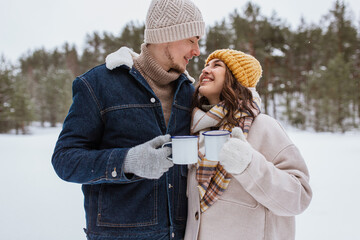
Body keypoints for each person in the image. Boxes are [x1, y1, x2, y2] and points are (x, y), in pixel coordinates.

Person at [51, 0, 205, 239]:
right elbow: (64, 160)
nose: (197, 51)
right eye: (192, 40)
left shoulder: (189, 93)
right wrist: (127, 162)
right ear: (168, 35)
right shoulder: (98, 84)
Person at [184, 49, 312, 240]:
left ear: (235, 78)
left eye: (216, 65)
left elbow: (298, 198)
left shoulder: (263, 126)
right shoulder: (196, 130)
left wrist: (249, 165)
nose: (206, 70)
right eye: (205, 65)